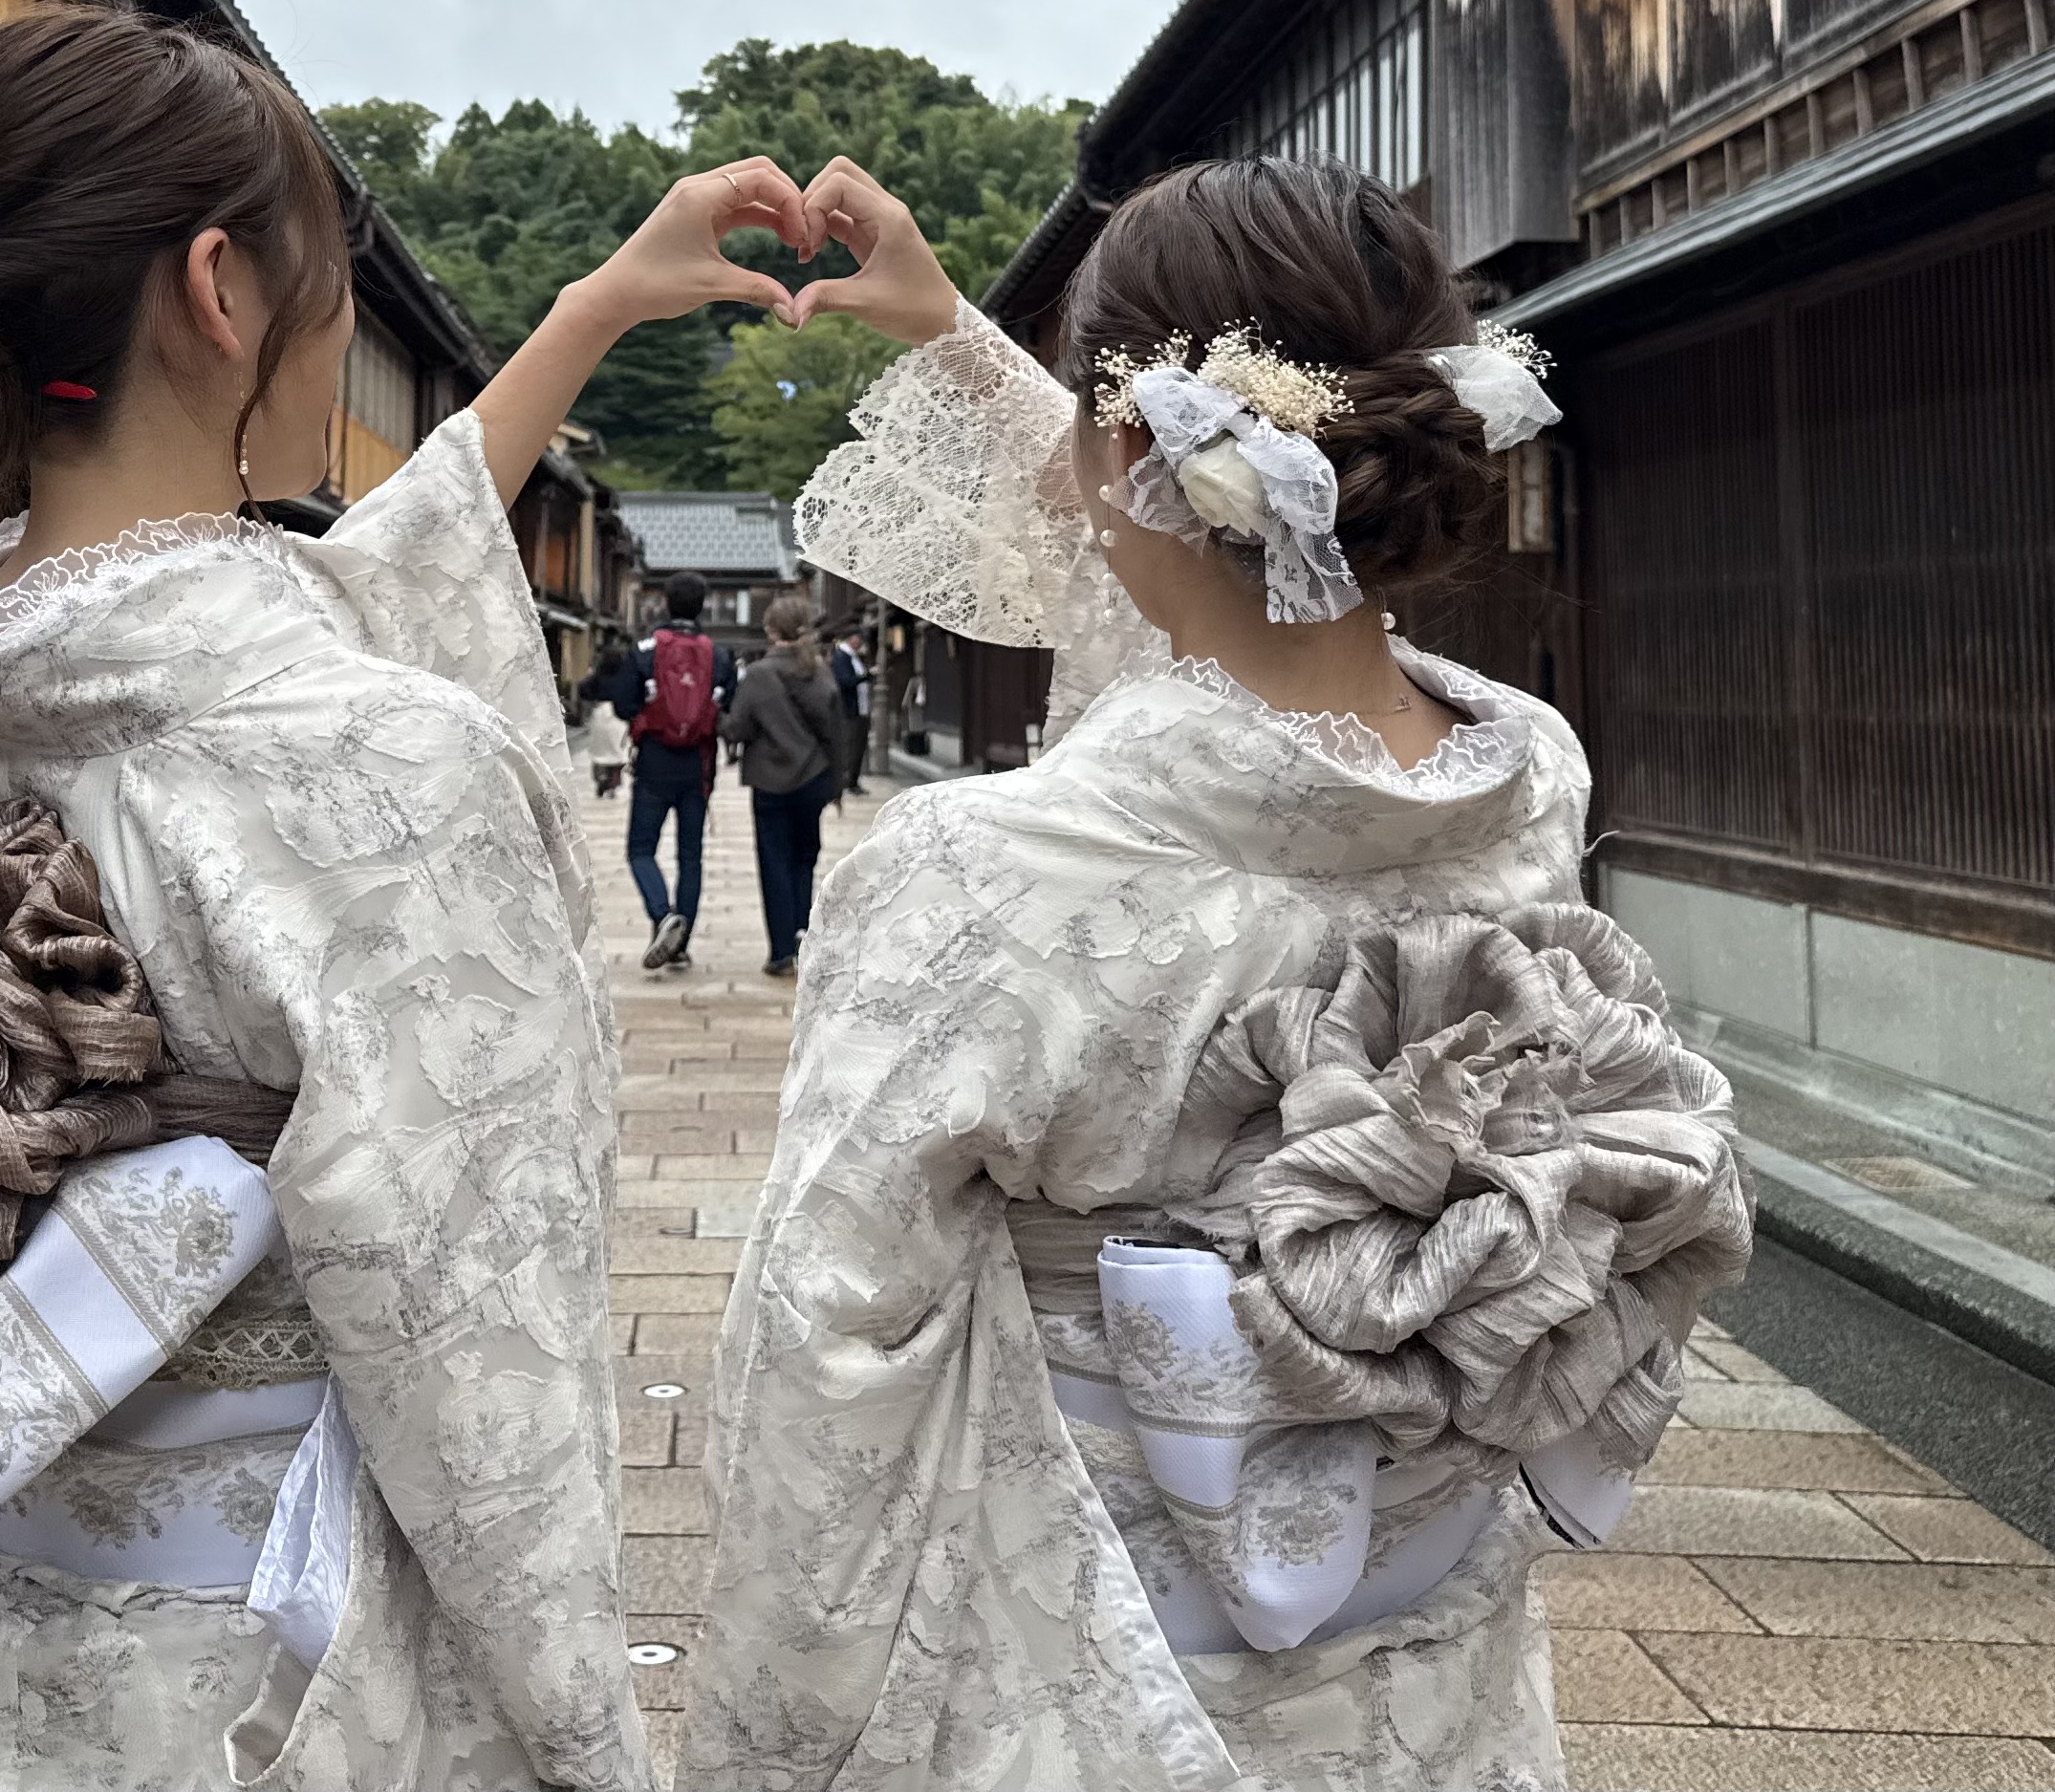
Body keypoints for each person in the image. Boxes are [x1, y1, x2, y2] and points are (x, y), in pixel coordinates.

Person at [0, 6, 816, 1792]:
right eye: (332, 286)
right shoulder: (378, 764)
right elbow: (478, 1350)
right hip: (268, 1664)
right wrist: (580, 1726)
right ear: (219, 287)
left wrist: (590, 309)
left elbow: (346, 577)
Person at [684, 156, 1754, 1791]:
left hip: (1088, 1653)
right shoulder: (1529, 774)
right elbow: (1219, 623)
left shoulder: (985, 865)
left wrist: (775, 1736)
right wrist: (958, 336)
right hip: (1434, 1644)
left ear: (1132, 451)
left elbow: (828, 1348)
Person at [607, 572, 737, 970]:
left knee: (640, 849)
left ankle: (662, 914)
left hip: (654, 760)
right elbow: (727, 707)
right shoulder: (719, 655)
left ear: (665, 603)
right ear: (702, 606)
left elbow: (623, 704)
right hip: (697, 765)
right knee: (690, 857)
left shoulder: (645, 650)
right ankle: (680, 944)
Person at [719, 594, 850, 975]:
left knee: (774, 860)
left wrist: (715, 717)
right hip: (814, 777)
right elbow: (836, 733)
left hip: (771, 780)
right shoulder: (821, 672)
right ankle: (801, 931)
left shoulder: (759, 674)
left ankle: (779, 951)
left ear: (771, 630)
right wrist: (837, 784)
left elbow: (738, 728)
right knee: (804, 857)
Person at [579, 638, 630, 797]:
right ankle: (613, 784)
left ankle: (601, 779)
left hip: (600, 712)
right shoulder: (625, 676)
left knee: (599, 752)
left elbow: (583, 690)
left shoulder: (597, 676)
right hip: (619, 714)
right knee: (617, 752)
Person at [825, 626, 871, 794]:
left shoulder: (853, 657)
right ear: (852, 639)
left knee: (858, 747)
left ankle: (852, 781)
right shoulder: (842, 657)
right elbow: (845, 681)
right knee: (850, 747)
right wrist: (866, 676)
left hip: (859, 709)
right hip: (849, 710)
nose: (861, 642)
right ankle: (847, 781)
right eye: (859, 638)